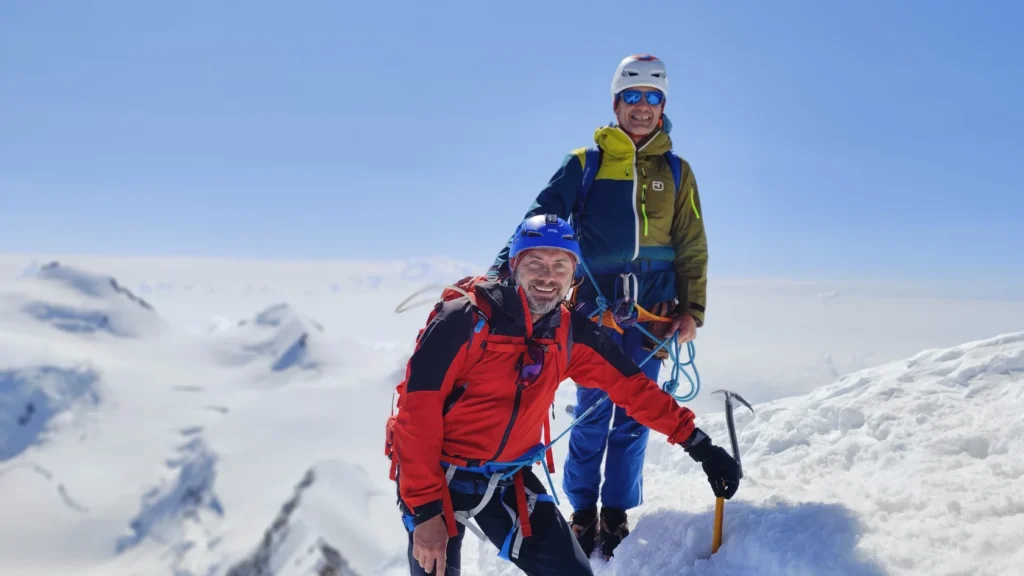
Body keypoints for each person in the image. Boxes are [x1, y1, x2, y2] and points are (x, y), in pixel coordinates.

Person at [388, 215, 736, 576]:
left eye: (560, 266)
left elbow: (633, 388)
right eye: (535, 263)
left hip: (508, 479)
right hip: (437, 478)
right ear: (514, 267)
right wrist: (426, 510)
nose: (547, 277)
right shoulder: (463, 320)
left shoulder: (570, 334)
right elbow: (416, 415)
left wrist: (699, 444)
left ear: (574, 276)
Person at [486, 54, 709, 558]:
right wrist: (500, 276)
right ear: (616, 103)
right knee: (591, 412)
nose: (643, 107)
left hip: (654, 314)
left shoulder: (677, 171)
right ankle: (582, 513)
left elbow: (691, 241)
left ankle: (616, 513)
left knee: (636, 415)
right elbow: (537, 220)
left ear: (663, 105)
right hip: (596, 310)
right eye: (633, 96)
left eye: (653, 97)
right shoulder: (584, 163)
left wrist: (691, 307)